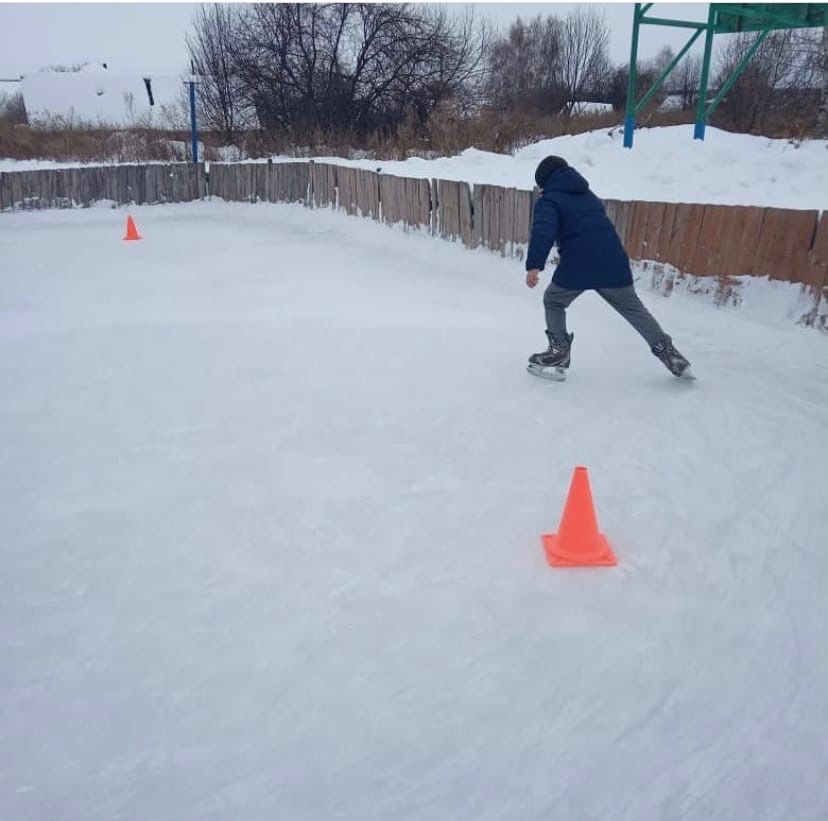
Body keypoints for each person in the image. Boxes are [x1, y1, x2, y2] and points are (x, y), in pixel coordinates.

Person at [524, 155, 692, 380]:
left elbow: (543, 230)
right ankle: (671, 356)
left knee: (553, 301)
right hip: (613, 261)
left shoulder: (550, 200)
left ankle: (558, 354)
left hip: (579, 263)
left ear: (545, 182)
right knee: (634, 310)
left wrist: (534, 265)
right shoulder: (588, 195)